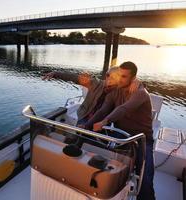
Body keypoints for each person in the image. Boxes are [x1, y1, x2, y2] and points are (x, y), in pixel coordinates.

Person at [84, 61, 155, 200]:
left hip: (141, 139)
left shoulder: (141, 93)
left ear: (133, 78)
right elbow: (103, 110)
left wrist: (105, 122)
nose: (120, 79)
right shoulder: (114, 91)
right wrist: (87, 125)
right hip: (120, 135)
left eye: (124, 76)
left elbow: (124, 109)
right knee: (109, 167)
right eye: (119, 75)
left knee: (145, 180)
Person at [42, 68, 138, 127]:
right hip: (85, 115)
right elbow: (75, 77)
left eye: (113, 76)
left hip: (103, 121)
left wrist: (138, 82)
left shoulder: (120, 90)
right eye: (107, 75)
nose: (108, 78)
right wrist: (55, 73)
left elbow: (135, 87)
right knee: (80, 135)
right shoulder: (95, 83)